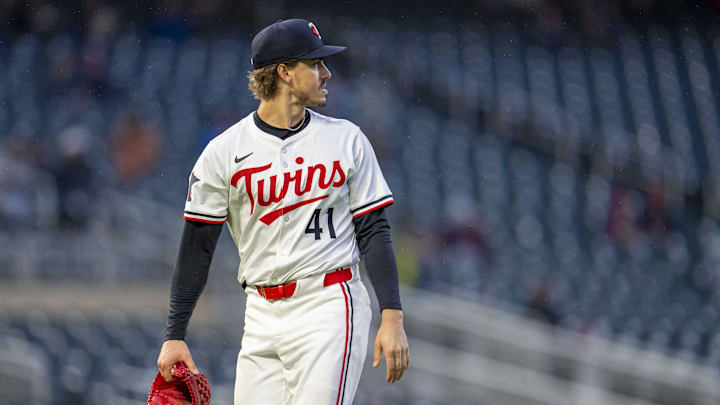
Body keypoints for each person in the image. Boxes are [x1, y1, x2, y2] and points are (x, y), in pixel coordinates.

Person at [156, 19, 410, 405]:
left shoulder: (346, 139)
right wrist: (174, 334)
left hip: (329, 302)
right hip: (260, 313)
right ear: (284, 72)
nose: (326, 73)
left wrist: (392, 316)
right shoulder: (224, 152)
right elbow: (197, 248)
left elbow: (374, 231)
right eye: (315, 64)